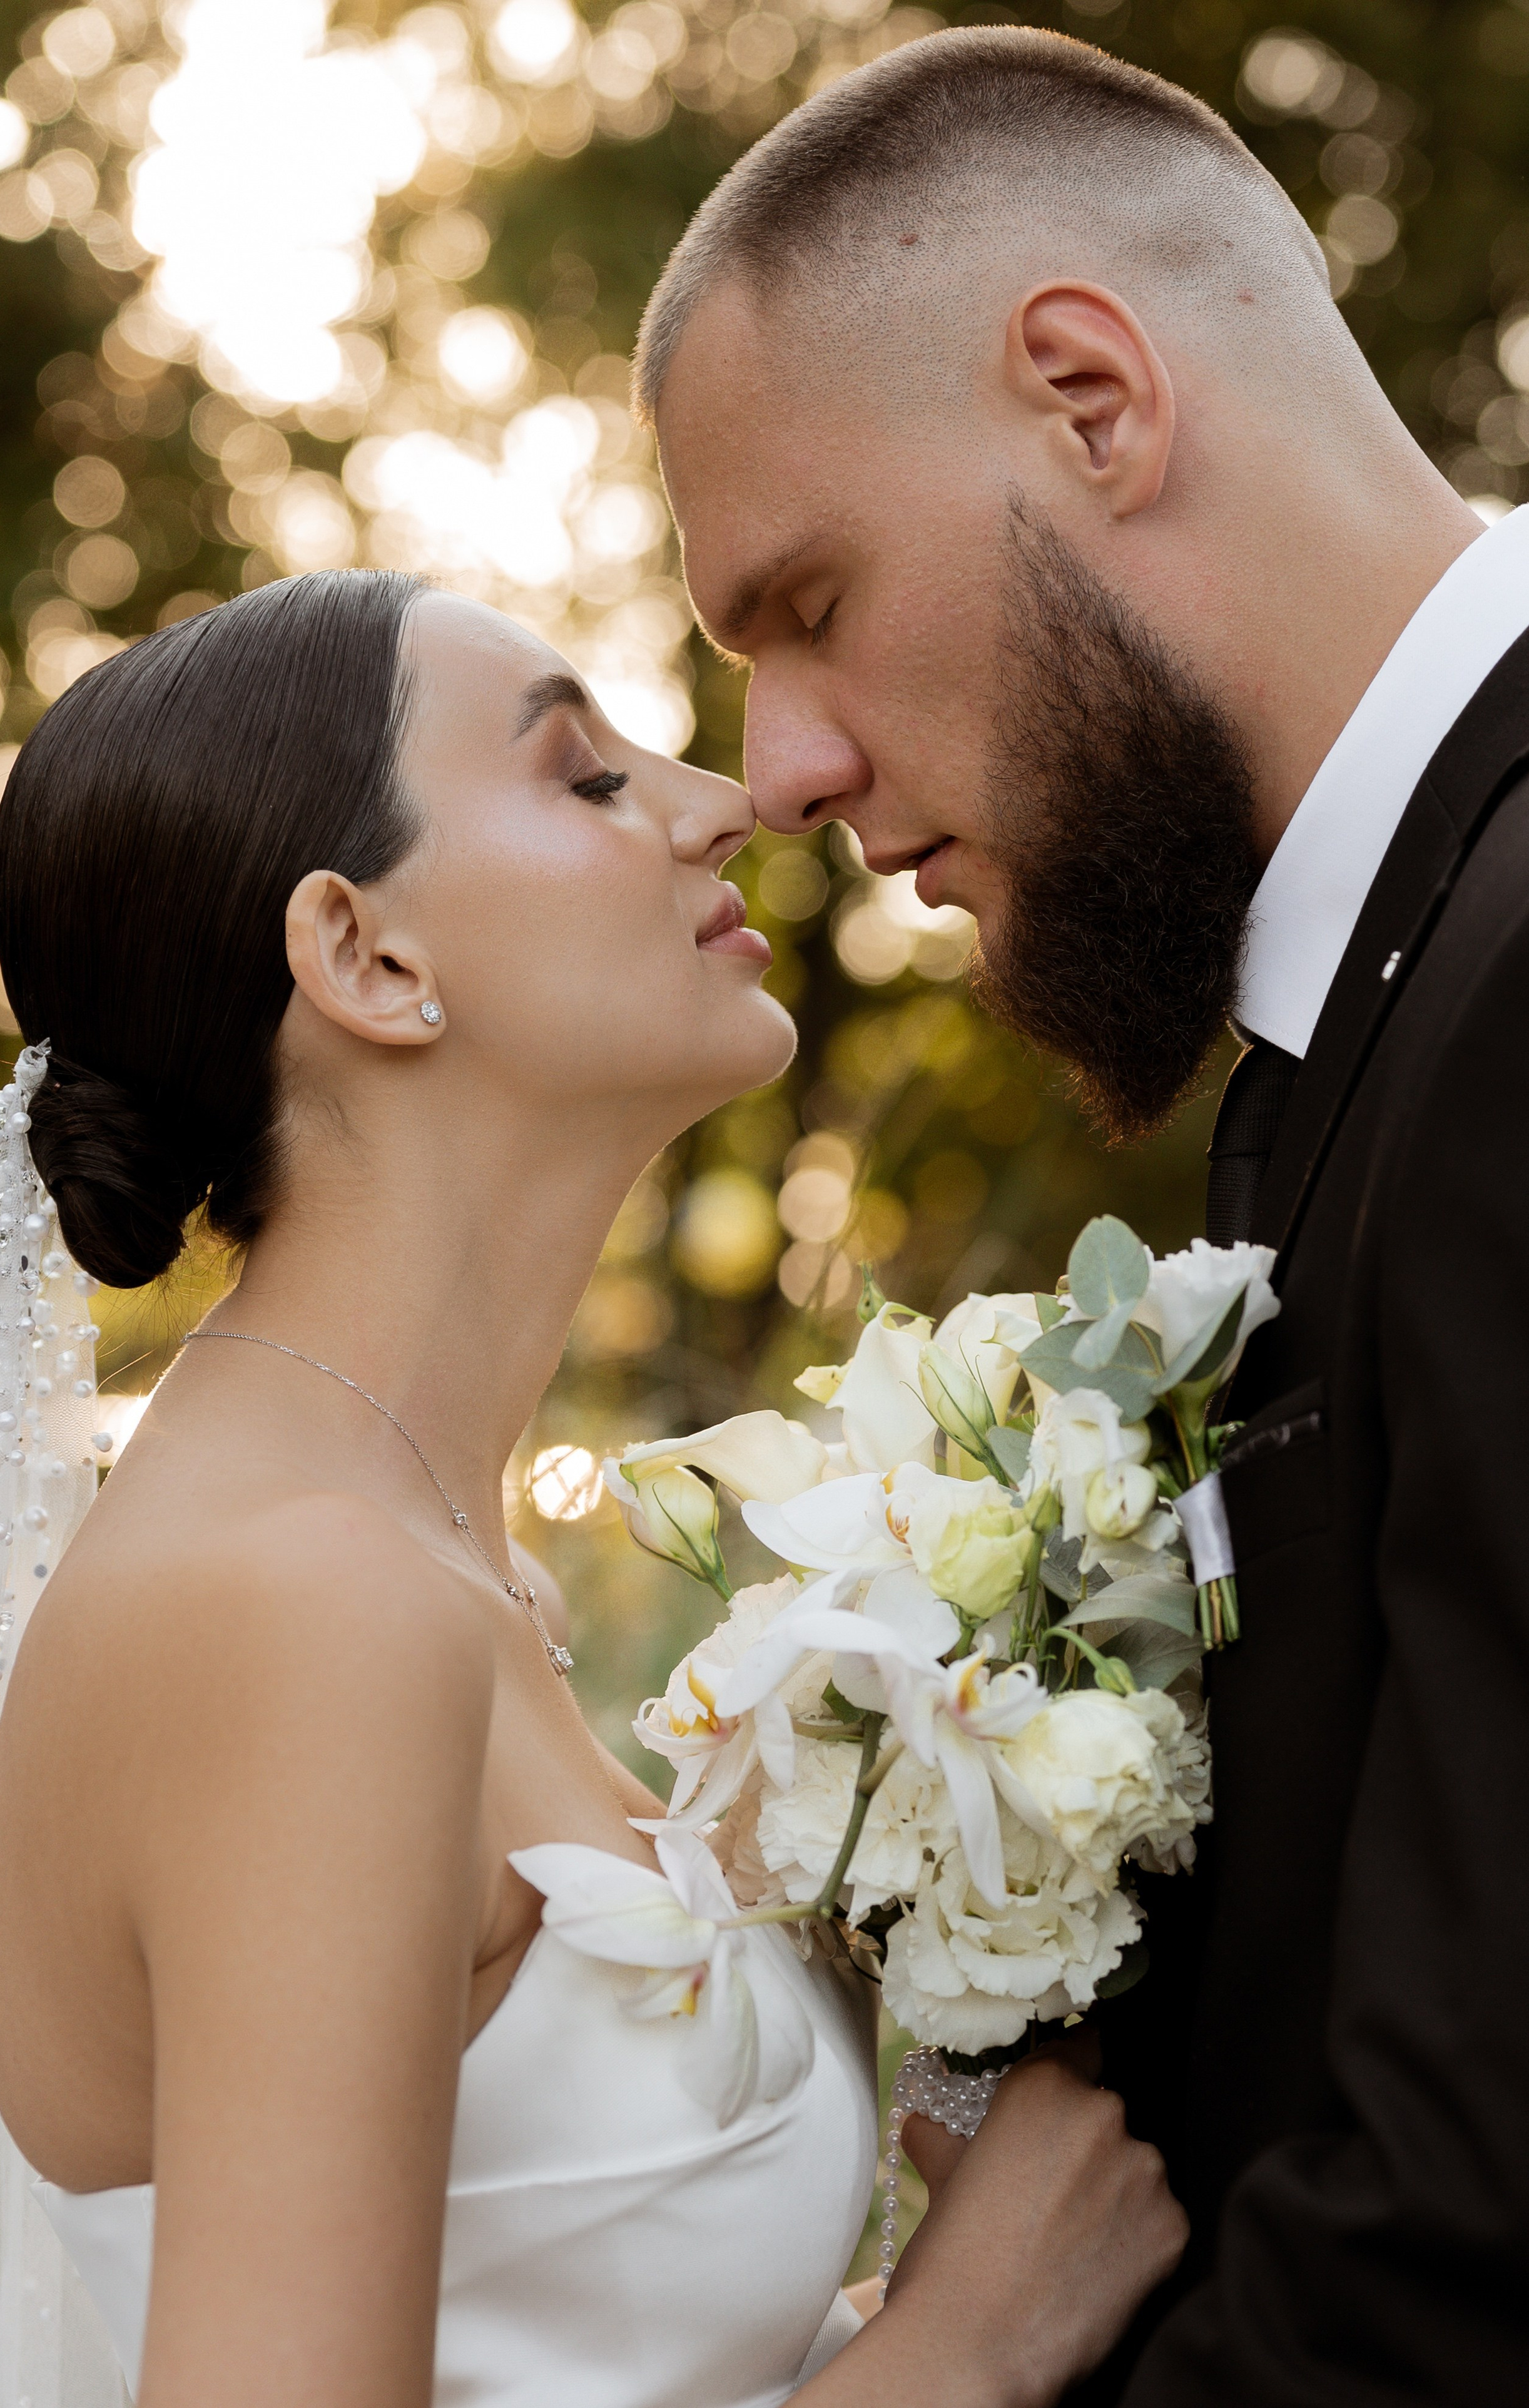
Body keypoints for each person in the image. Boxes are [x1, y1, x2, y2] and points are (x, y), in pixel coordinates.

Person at [0, 568, 1184, 2408]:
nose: (730, 802)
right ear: (368, 957)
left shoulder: (445, 1573)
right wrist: (959, 2353)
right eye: (587, 777)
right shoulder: (305, 1609)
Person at [639, 21, 1529, 2402]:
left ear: (1092, 397)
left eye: (806, 604)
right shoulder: (1368, 1019)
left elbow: (1476, 2230)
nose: (785, 771)